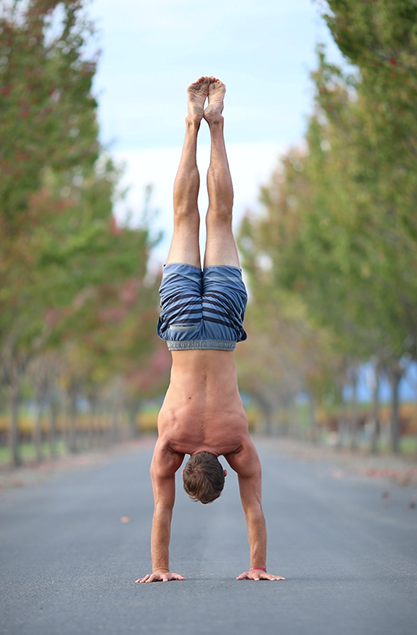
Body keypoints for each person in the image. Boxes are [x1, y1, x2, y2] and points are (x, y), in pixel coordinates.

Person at [136, 77, 284, 584]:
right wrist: (159, 567)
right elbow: (162, 511)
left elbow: (254, 508)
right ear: (185, 469)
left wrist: (258, 565)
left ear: (223, 466)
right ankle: (190, 125)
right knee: (182, 219)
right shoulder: (170, 442)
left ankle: (214, 125)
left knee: (219, 219)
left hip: (220, 326)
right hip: (180, 326)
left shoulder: (236, 441)